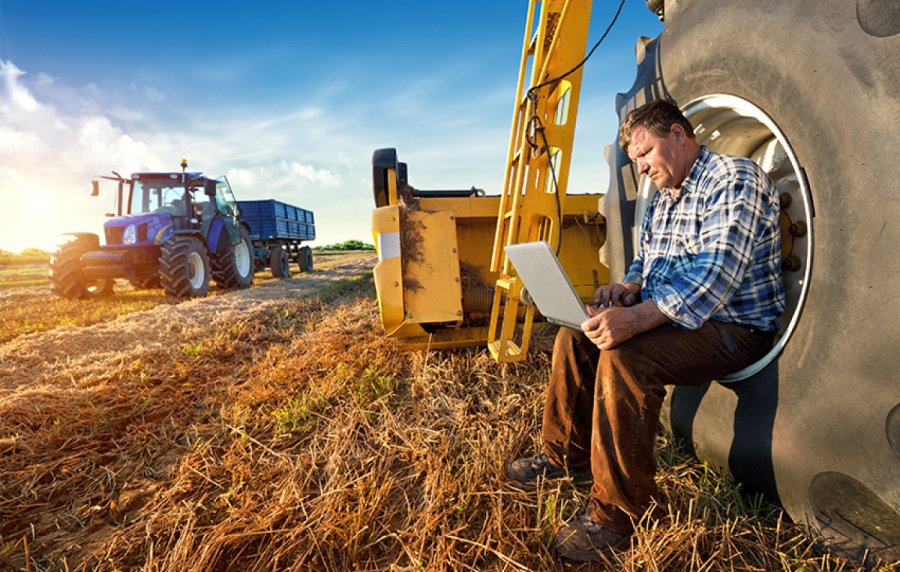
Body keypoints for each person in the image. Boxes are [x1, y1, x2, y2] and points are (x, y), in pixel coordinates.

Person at [506, 99, 786, 562]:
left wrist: (636, 319)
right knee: (575, 337)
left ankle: (619, 514)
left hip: (732, 326)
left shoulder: (733, 179)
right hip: (680, 319)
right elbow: (648, 258)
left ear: (677, 135)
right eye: (634, 159)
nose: (640, 168)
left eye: (644, 153)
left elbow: (715, 276)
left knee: (625, 356)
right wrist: (630, 288)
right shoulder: (664, 195)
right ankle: (563, 458)